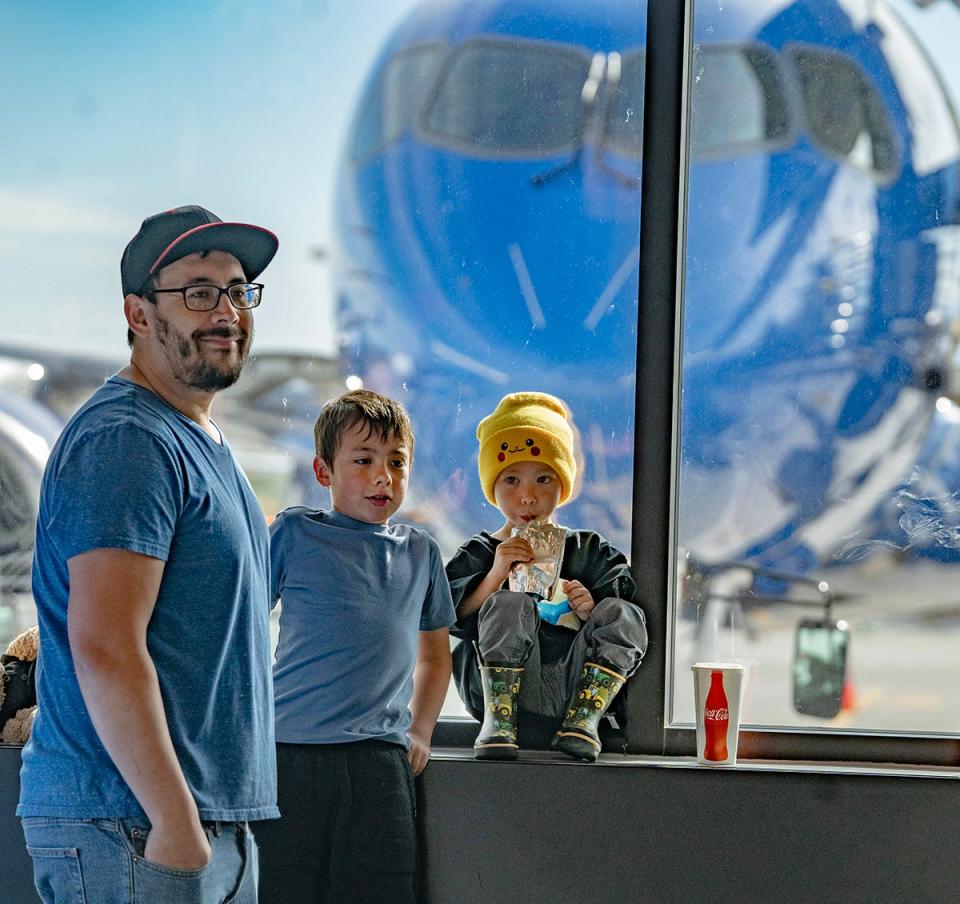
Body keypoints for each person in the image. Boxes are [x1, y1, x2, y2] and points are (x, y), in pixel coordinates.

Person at [18, 205, 281, 903]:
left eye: (238, 289)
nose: (226, 310)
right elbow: (104, 643)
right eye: (198, 291)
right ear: (137, 314)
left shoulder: (198, 440)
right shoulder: (127, 439)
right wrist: (173, 820)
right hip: (131, 824)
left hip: (193, 823)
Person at [255, 389, 455, 904]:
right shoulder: (295, 533)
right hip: (289, 757)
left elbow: (435, 655)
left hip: (379, 762)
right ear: (324, 472)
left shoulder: (420, 553)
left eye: (396, 461)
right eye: (363, 461)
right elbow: (241, 624)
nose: (382, 476)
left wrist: (422, 730)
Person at [447, 391, 648, 762]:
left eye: (543, 479)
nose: (528, 497)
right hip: (507, 686)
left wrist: (591, 609)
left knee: (625, 614)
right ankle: (499, 722)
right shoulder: (480, 551)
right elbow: (450, 619)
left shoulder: (588, 549)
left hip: (573, 682)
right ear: (491, 487)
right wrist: (495, 575)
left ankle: (584, 721)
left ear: (564, 485)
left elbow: (628, 614)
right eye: (511, 480)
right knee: (509, 603)